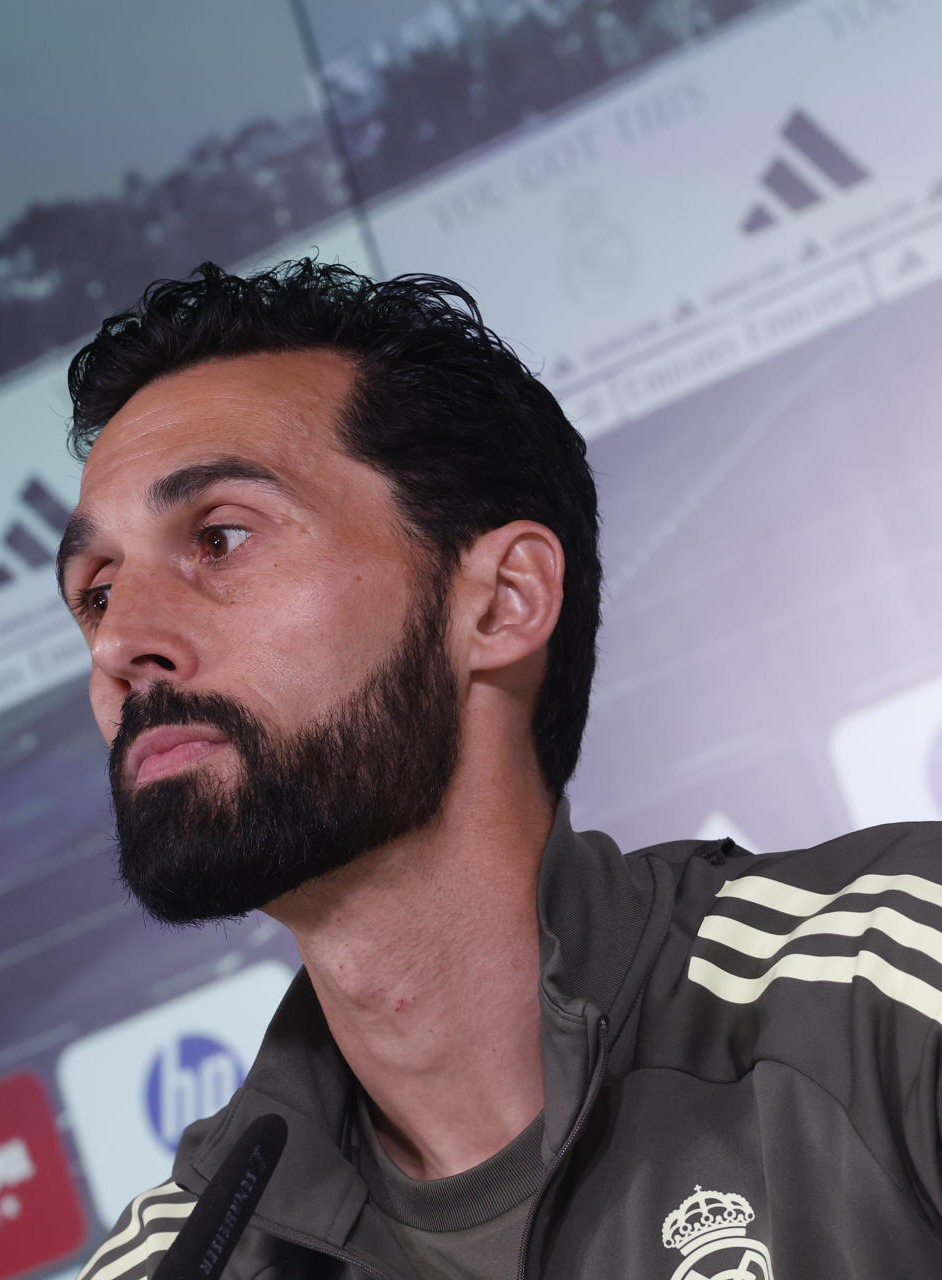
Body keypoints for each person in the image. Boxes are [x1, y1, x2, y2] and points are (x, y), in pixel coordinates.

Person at [57, 259, 942, 1280]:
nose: (121, 642)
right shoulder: (174, 1265)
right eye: (97, 591)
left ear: (501, 600)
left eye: (219, 537)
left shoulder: (892, 990)